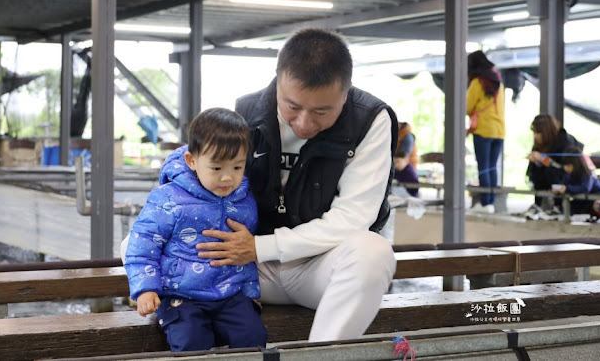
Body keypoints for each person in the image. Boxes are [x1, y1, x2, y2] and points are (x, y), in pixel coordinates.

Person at [179, 28, 398, 342]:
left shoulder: (371, 120)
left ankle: (320, 354)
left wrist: (259, 247)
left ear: (346, 91)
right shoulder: (245, 112)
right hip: (246, 268)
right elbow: (199, 174)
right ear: (278, 80)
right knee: (146, 236)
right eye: (292, 107)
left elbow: (354, 219)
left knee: (374, 252)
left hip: (318, 268)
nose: (305, 123)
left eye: (322, 111)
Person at [124, 108, 267, 352]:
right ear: (192, 161)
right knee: (191, 342)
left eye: (237, 167)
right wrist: (146, 289)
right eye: (216, 168)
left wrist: (249, 290)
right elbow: (142, 244)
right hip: (181, 295)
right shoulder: (169, 199)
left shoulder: (243, 200)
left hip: (228, 293)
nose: (227, 179)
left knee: (253, 337)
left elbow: (243, 253)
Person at [466, 50, 505, 214]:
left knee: (483, 166)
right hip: (500, 130)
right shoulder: (499, 82)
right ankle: (491, 202)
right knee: (492, 167)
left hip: (483, 129)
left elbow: (468, 106)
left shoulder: (477, 82)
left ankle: (484, 203)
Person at [525, 113, 585, 220]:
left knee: (551, 171)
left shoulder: (565, 141)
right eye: (534, 132)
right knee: (535, 169)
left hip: (569, 177)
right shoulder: (540, 144)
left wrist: (543, 159)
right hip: (551, 176)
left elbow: (564, 168)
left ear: (546, 131)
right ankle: (538, 204)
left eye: (538, 133)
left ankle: (558, 206)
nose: (536, 136)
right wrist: (536, 161)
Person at [551, 145, 600, 222]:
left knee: (596, 205)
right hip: (581, 199)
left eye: (568, 165)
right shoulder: (568, 174)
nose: (565, 168)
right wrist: (560, 189)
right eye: (565, 165)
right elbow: (564, 184)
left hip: (595, 197)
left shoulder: (587, 174)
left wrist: (567, 189)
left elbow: (585, 188)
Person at [394, 122, 420, 197]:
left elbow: (403, 156)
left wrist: (396, 163)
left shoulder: (407, 136)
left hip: (406, 167)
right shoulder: (398, 135)